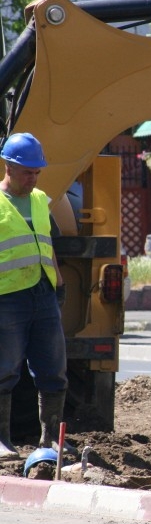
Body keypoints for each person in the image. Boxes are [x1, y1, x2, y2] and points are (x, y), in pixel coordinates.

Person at [0, 133, 70, 460]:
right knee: (4, 369)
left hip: (43, 294)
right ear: (9, 167)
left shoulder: (41, 199)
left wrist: (58, 280)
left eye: (37, 172)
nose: (34, 177)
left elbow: (47, 243)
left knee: (52, 368)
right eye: (28, 171)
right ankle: (2, 440)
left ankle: (50, 440)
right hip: (7, 298)